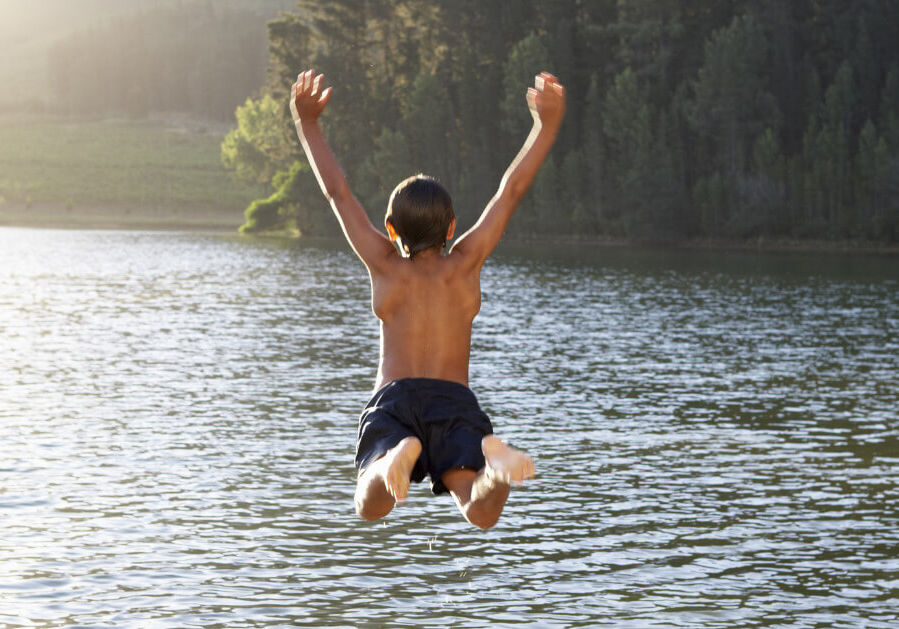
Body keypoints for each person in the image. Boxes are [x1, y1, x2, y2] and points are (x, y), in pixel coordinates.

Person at [290, 68, 565, 529]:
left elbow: (337, 192)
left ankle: (393, 457)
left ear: (392, 230)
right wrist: (546, 124)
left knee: (370, 504)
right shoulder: (465, 264)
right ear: (453, 228)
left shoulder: (384, 263)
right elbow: (510, 191)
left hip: (395, 401)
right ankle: (495, 472)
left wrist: (308, 123)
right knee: (479, 512)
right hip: (453, 401)